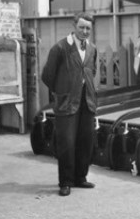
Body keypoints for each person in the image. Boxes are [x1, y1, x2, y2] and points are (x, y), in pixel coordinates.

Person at [41, 12, 98, 196]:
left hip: (87, 101)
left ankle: (80, 178)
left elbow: (92, 71)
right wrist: (63, 91)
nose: (84, 31)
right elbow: (47, 76)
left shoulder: (92, 49)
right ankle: (65, 181)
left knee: (85, 141)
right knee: (66, 143)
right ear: (74, 26)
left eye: (88, 28)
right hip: (66, 102)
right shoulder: (60, 48)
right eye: (81, 27)